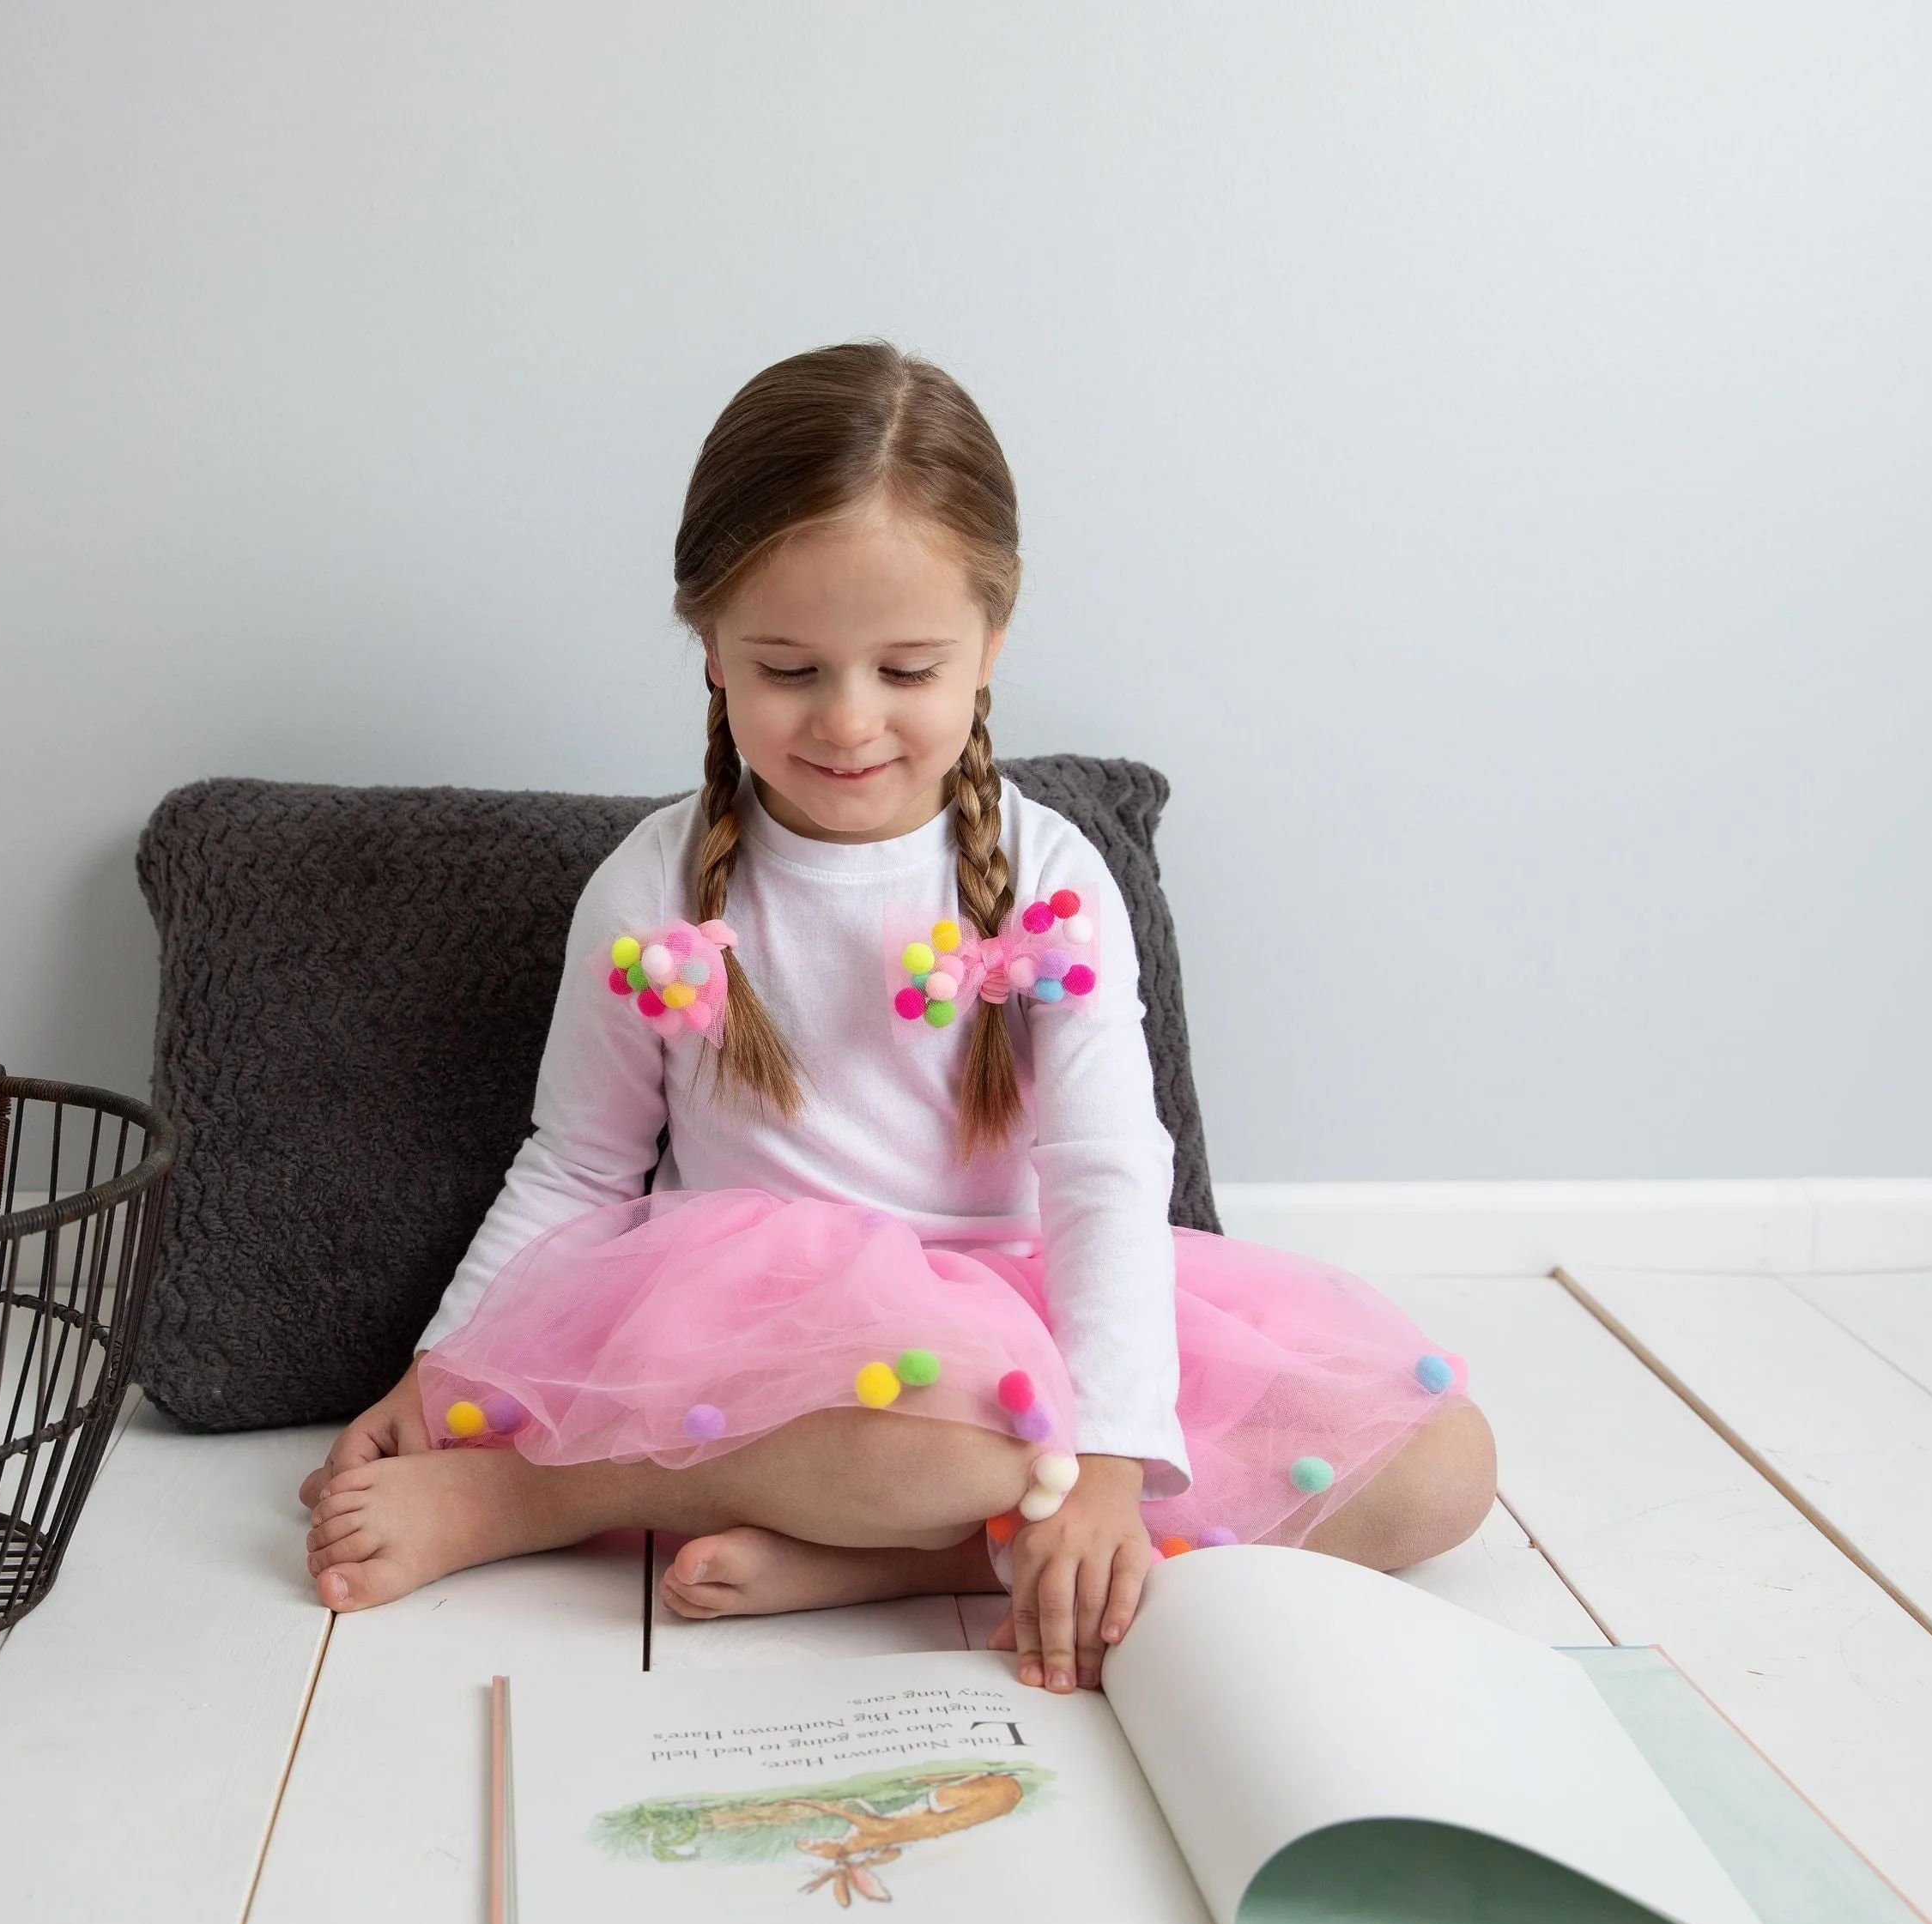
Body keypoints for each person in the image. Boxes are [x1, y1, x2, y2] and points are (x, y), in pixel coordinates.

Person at [300, 341, 1494, 1692]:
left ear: (993, 636)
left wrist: (1113, 1461)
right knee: (965, 1445)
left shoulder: (1048, 879)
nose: (850, 721)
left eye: (907, 670)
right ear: (710, 647)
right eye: (791, 669)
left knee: (1444, 1467)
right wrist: (445, 1374)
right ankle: (544, 1498)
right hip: (791, 1355)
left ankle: (902, 1562)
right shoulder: (651, 888)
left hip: (1027, 1322)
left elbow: (1105, 1167)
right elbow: (576, 1164)